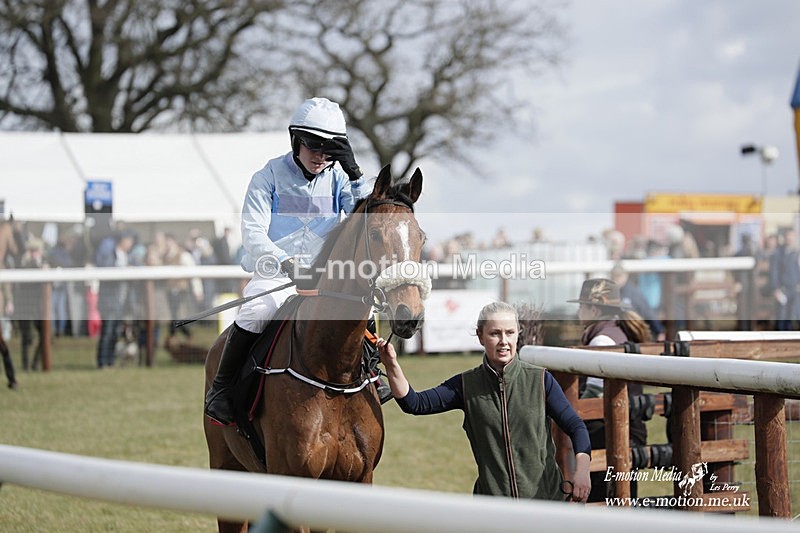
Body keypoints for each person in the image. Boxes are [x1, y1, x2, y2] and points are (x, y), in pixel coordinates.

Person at [204, 97, 377, 427]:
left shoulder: (340, 179)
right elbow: (253, 233)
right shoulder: (267, 176)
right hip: (276, 275)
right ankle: (222, 390)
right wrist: (285, 262)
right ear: (296, 140)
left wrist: (355, 172)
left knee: (365, 307)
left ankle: (372, 376)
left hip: (325, 277)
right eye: (313, 146)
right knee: (255, 311)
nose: (320, 156)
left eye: (330, 150)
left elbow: (366, 218)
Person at [377, 301, 592, 502]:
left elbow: (576, 426)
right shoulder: (465, 384)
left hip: (545, 503)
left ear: (518, 334)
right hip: (492, 510)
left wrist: (582, 471)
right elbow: (415, 403)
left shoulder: (541, 379)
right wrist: (392, 365)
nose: (504, 341)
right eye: (495, 334)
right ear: (480, 337)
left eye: (509, 333)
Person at [567, 278, 650, 502]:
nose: (578, 311)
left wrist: (567, 416)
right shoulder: (619, 332)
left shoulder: (601, 340)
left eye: (581, 306)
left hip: (606, 432)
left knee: (601, 501)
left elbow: (594, 395)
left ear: (593, 309)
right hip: (627, 429)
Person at [95, 230, 136, 368]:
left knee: (115, 333)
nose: (130, 243)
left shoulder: (128, 257)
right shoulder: (110, 256)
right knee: (107, 332)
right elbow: (105, 270)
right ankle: (102, 361)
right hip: (109, 302)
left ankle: (111, 360)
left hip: (122, 302)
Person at [610, 263, 666, 341]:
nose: (616, 279)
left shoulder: (633, 293)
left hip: (632, 334)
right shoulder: (608, 294)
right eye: (614, 276)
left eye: (619, 276)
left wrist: (659, 330)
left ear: (626, 276)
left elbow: (647, 312)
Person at [769, 229, 800, 331]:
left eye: (792, 236)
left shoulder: (796, 253)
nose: (790, 239)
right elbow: (774, 272)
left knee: (794, 315)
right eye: (788, 236)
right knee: (782, 316)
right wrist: (775, 289)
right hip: (783, 289)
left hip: (795, 289)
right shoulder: (779, 254)